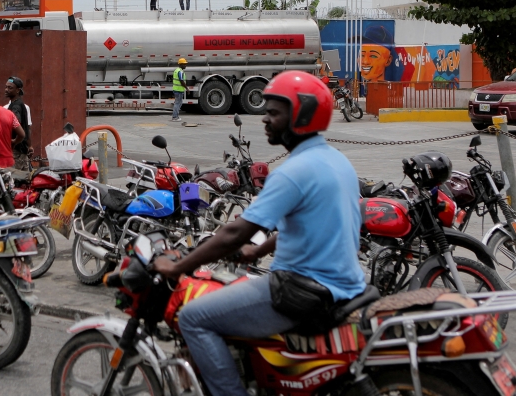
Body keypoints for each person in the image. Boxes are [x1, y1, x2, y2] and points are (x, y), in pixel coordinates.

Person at [152, 71, 365, 396]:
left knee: (193, 316)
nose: (265, 119)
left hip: (302, 291)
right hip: (344, 284)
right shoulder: (336, 160)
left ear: (302, 116)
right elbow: (313, 225)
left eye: (274, 113)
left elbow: (236, 232)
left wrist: (178, 266)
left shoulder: (293, 172)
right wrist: (259, 250)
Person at [5, 77, 33, 170]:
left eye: (10, 88)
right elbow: (26, 128)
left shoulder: (16, 106)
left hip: (17, 151)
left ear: (18, 90)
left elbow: (16, 124)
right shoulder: (18, 104)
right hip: (22, 150)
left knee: (15, 176)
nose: (6, 90)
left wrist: (14, 141)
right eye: (6, 87)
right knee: (24, 177)